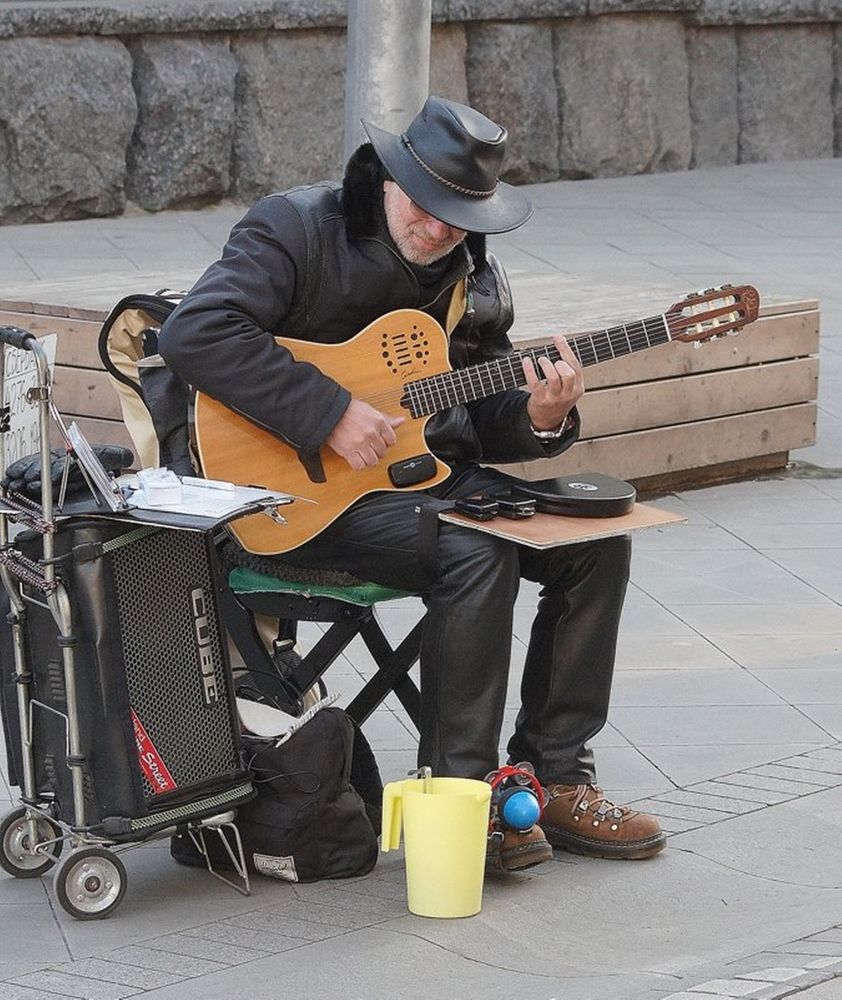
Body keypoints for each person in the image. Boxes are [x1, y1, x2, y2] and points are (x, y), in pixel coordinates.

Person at [159, 96, 666, 871]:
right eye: (428, 209)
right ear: (392, 179)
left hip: (419, 482)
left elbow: (471, 415)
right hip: (293, 500)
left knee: (594, 541)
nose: (440, 231)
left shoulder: (471, 273)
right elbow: (195, 331)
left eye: (461, 217)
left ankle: (554, 779)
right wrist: (325, 411)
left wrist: (538, 413)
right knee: (477, 552)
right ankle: (460, 808)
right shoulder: (294, 229)